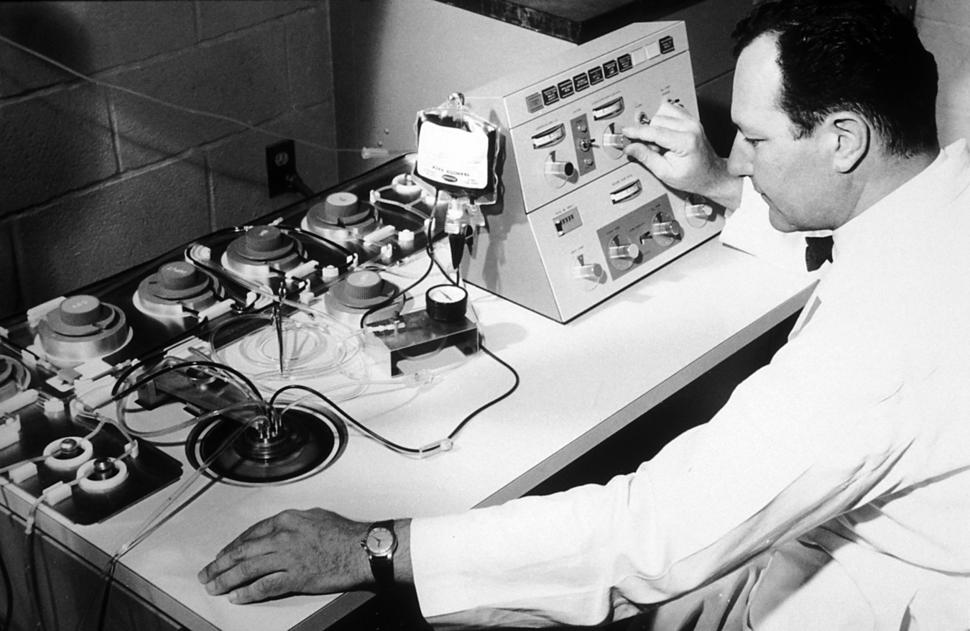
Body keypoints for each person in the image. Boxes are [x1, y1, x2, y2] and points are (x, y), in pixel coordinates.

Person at [198, 0, 970, 628]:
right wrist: (721, 188)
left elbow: (649, 533)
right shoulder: (946, 193)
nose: (734, 156)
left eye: (756, 141)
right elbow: (839, 248)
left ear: (844, 139)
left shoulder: (877, 345)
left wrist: (370, 546)